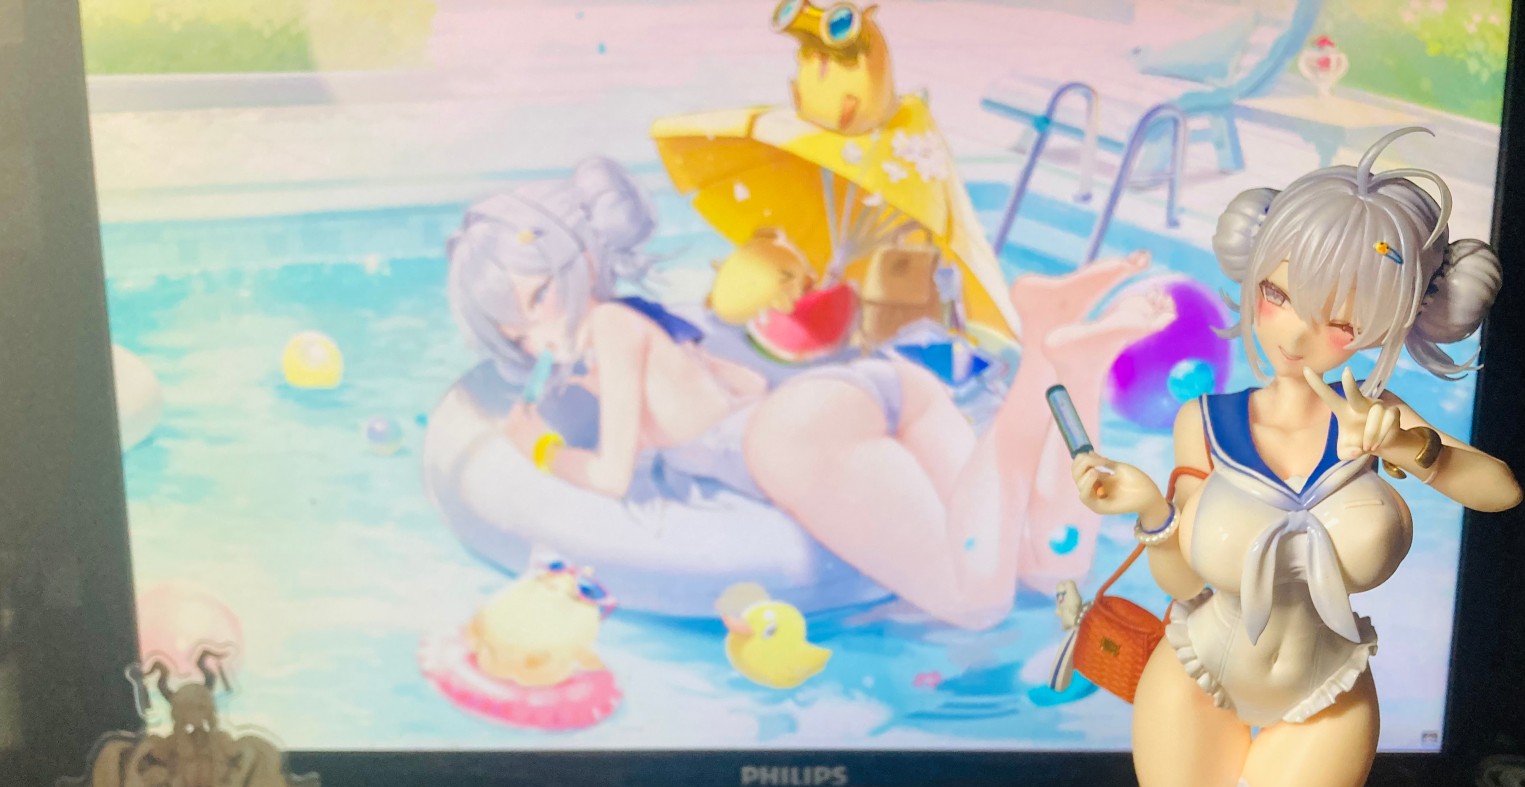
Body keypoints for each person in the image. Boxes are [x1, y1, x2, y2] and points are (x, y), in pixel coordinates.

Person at [1069, 128, 1521, 787]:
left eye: (1338, 317)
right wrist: (1148, 511)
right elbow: (1181, 577)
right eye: (1277, 295)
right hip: (1197, 672)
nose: (1297, 330)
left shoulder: (1381, 428)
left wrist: (1416, 450)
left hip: (1322, 701)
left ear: (1394, 320)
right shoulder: (1208, 421)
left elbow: (1500, 492)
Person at [445, 157, 1174, 629]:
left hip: (792, 435)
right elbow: (743, 381)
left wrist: (538, 446)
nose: (534, 335)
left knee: (974, 601)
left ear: (579, 265)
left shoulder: (609, 326)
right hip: (873, 392)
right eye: (516, 331)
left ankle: (1050, 347)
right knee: (1047, 565)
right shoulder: (654, 323)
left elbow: (610, 476)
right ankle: (1069, 359)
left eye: (536, 301)